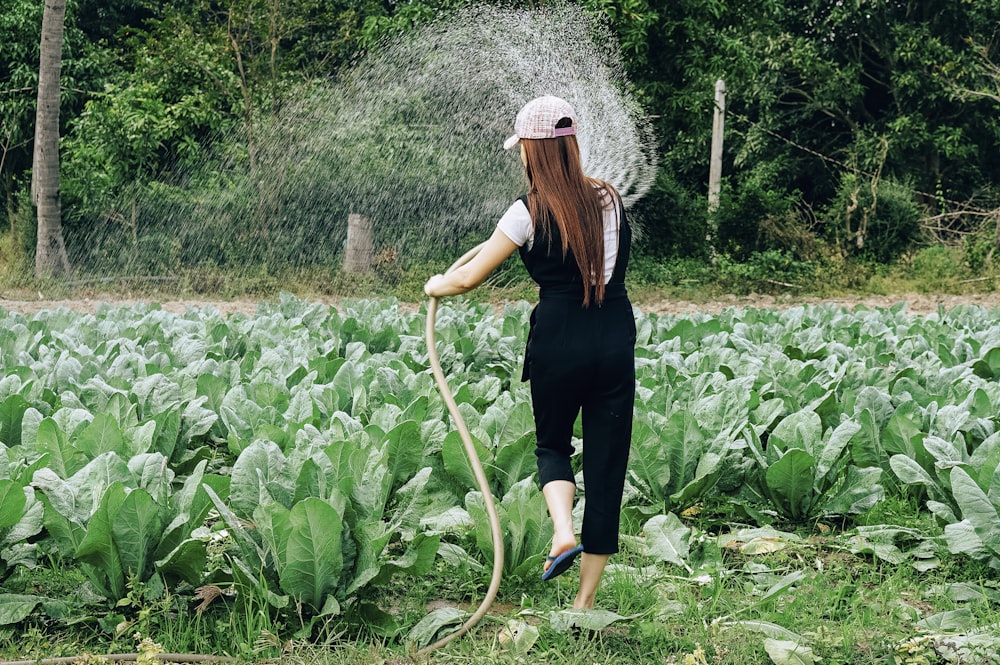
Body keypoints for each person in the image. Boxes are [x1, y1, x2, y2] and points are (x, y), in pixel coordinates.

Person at [424, 95, 635, 611]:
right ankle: (584, 604)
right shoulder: (610, 198)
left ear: (534, 152)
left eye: (523, 149)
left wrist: (436, 284)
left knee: (553, 445)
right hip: (612, 335)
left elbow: (469, 276)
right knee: (607, 466)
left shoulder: (526, 211)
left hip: (559, 338)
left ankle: (563, 530)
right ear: (572, 146)